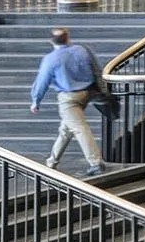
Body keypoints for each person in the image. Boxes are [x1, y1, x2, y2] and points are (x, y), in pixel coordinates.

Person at [28, 28, 105, 177]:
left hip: (68, 98)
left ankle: (95, 163)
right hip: (87, 93)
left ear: (51, 41)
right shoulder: (81, 50)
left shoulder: (51, 59)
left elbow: (42, 81)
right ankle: (52, 161)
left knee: (79, 128)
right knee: (66, 129)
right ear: (68, 38)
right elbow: (96, 69)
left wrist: (35, 101)